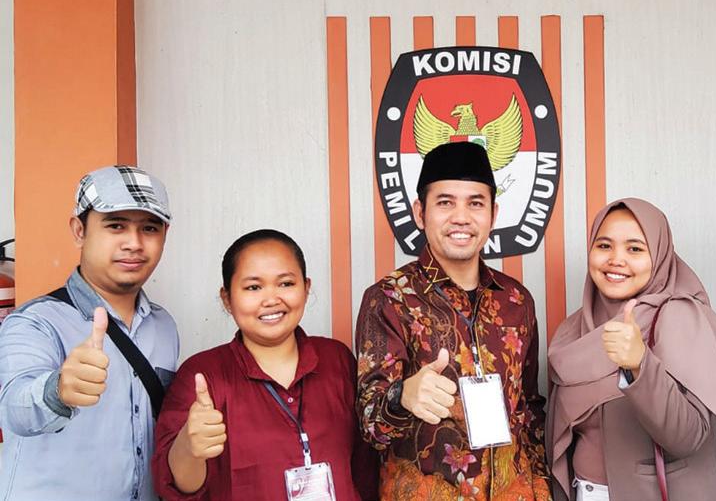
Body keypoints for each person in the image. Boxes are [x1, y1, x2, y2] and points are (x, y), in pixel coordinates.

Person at [355, 141, 549, 499]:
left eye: (475, 203)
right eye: (445, 202)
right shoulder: (390, 298)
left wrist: (540, 486)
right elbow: (371, 428)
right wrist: (401, 397)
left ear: (493, 213)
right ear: (420, 212)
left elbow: (529, 410)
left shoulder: (516, 300)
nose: (461, 217)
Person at [152, 229, 378, 500]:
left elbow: (365, 467)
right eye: (253, 287)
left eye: (286, 283)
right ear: (227, 298)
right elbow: (175, 486)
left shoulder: (336, 359)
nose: (271, 299)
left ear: (306, 288)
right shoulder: (203, 375)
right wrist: (189, 448)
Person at [0, 165, 179, 500]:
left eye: (149, 228)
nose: (134, 243)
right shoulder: (35, 322)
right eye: (115, 225)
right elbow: (14, 408)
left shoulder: (164, 326)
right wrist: (58, 390)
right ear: (79, 230)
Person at [547, 198, 716, 501]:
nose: (616, 259)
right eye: (604, 246)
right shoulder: (572, 331)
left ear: (660, 255)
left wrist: (640, 364)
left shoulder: (679, 317)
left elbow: (689, 437)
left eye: (635, 249)